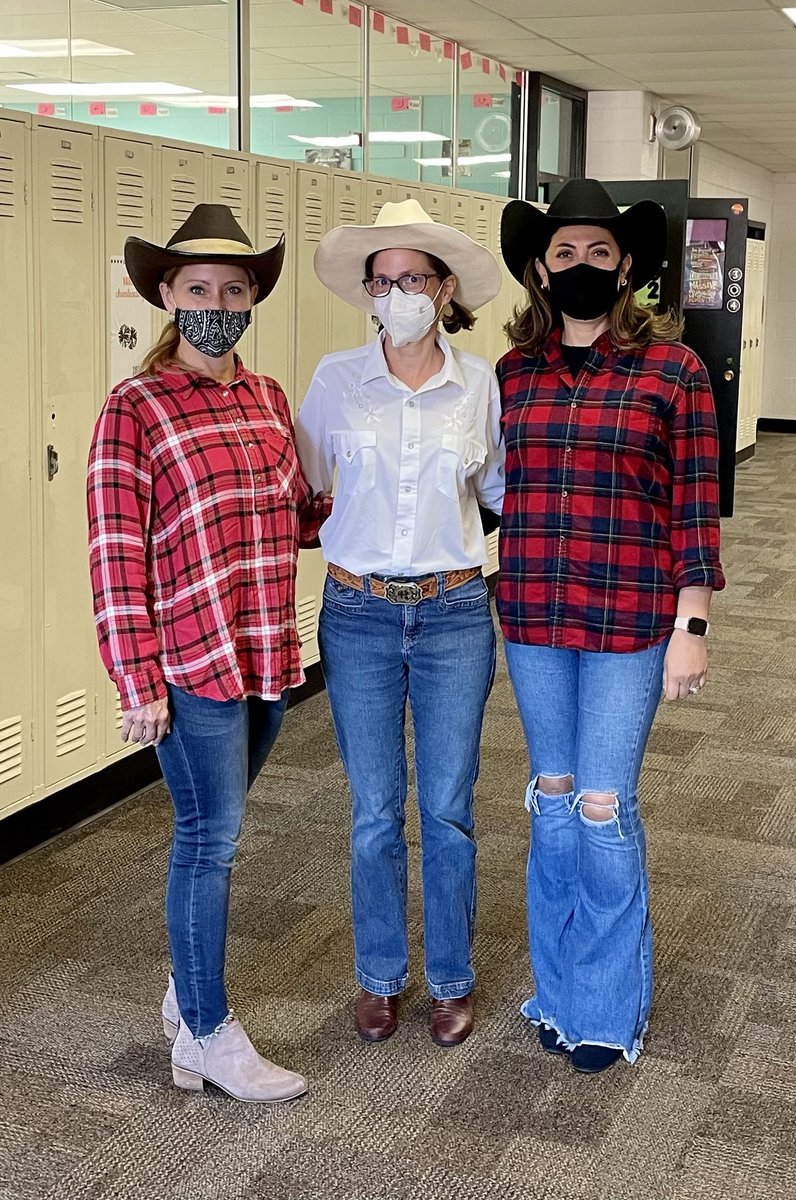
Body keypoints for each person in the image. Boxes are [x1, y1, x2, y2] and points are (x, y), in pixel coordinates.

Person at [87, 203, 330, 1102]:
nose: (216, 303)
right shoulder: (134, 407)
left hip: (264, 647)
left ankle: (186, 993)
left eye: (234, 289)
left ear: (252, 299)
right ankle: (207, 1031)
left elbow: (300, 515)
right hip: (189, 662)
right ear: (165, 295)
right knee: (210, 841)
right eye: (198, 289)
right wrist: (135, 676)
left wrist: (395, 498)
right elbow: (114, 549)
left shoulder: (266, 398)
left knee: (217, 832)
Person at [496, 179, 725, 1074]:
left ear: (625, 266)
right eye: (564, 253)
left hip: (632, 618)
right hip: (534, 616)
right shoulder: (515, 372)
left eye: (598, 252)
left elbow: (695, 505)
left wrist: (692, 621)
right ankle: (554, 993)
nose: (581, 266)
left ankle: (603, 1010)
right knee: (551, 801)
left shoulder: (673, 371)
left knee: (601, 807)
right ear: (540, 270)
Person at [295, 200, 504, 1048]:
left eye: (413, 278)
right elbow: (307, 491)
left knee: (448, 809)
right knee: (376, 809)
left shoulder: (478, 382)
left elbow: (493, 498)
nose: (398, 293)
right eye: (383, 282)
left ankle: (450, 979)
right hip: (358, 614)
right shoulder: (333, 379)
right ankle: (380, 977)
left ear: (444, 287)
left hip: (455, 612)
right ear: (369, 295)